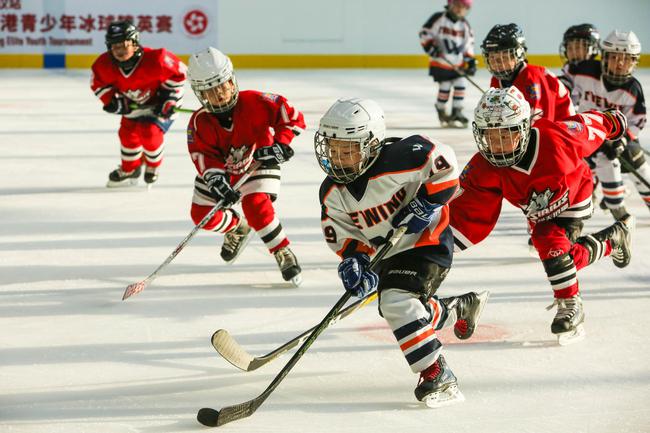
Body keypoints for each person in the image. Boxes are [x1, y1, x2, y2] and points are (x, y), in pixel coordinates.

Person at [315, 97, 489, 407]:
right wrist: (354, 260)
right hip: (390, 253)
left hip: (428, 241)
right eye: (334, 148)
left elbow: (446, 166)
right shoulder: (332, 192)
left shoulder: (401, 157)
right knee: (399, 307)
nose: (339, 158)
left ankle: (437, 371)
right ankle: (458, 308)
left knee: (396, 301)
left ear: (371, 143)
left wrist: (427, 202)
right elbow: (344, 235)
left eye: (349, 149)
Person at [449, 86, 634, 345]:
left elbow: (588, 124)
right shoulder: (483, 167)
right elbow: (470, 210)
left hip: (576, 193)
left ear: (524, 128)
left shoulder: (557, 138)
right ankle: (611, 241)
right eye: (489, 136)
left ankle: (571, 303)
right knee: (560, 255)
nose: (497, 145)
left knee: (549, 243)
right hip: (539, 211)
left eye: (505, 134)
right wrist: (443, 238)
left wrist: (614, 122)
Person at [186, 47, 305, 285]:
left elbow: (290, 116)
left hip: (258, 159)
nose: (219, 93)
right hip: (223, 171)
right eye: (210, 90)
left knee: (255, 205)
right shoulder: (199, 123)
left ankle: (282, 250)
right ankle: (238, 227)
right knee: (201, 216)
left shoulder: (255, 101)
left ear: (232, 81)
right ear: (200, 94)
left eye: (222, 84)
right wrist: (217, 179)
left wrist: (281, 143)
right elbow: (202, 156)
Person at [91, 20, 186, 187]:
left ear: (134, 43)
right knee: (127, 135)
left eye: (123, 45)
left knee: (149, 132)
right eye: (114, 46)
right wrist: (113, 101)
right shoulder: (104, 64)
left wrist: (169, 99)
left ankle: (153, 165)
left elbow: (179, 74)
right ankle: (130, 169)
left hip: (160, 106)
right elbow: (98, 83)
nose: (119, 51)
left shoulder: (157, 59)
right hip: (132, 106)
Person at [571, 30, 650, 219]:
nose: (621, 63)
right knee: (605, 163)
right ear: (604, 57)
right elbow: (568, 98)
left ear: (634, 62)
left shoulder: (633, 88)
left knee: (636, 159)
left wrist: (622, 140)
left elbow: (636, 121)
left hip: (616, 140)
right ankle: (617, 208)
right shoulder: (585, 71)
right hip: (585, 138)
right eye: (615, 57)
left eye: (627, 59)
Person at [482, 23, 574, 122]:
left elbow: (541, 122)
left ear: (518, 54)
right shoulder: (496, 80)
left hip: (564, 127)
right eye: (492, 58)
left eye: (504, 57)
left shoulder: (533, 77)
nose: (497, 64)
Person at [419, 0, 476, 128]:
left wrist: (471, 61)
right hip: (440, 62)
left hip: (457, 63)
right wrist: (430, 46)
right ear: (450, 4)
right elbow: (425, 32)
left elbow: (468, 45)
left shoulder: (465, 25)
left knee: (461, 83)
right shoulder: (439, 18)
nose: (460, 10)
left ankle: (457, 111)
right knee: (445, 85)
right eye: (457, 6)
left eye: (464, 7)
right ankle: (441, 108)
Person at [557, 23, 601, 105]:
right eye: (569, 48)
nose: (573, 52)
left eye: (578, 47)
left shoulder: (602, 78)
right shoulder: (564, 79)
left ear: (593, 49)